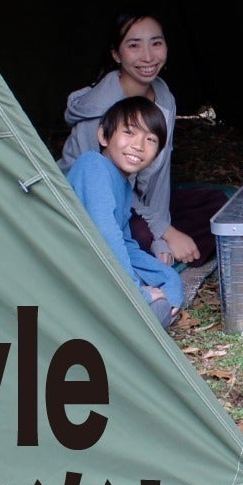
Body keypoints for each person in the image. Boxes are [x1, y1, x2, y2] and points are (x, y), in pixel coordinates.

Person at [60, 13, 223, 265]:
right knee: (140, 235)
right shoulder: (99, 114)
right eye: (134, 45)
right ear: (116, 54)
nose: (148, 57)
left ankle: (160, 253)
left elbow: (160, 175)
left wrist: (163, 232)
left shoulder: (163, 96)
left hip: (138, 204)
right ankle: (145, 260)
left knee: (215, 204)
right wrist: (164, 232)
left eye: (156, 43)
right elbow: (104, 191)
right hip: (92, 206)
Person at [66, 96, 184, 327]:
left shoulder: (123, 185)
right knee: (152, 307)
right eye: (129, 132)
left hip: (95, 271)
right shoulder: (93, 165)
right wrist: (137, 293)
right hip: (72, 271)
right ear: (103, 136)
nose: (139, 145)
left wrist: (170, 280)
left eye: (151, 139)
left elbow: (126, 245)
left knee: (159, 301)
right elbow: (105, 235)